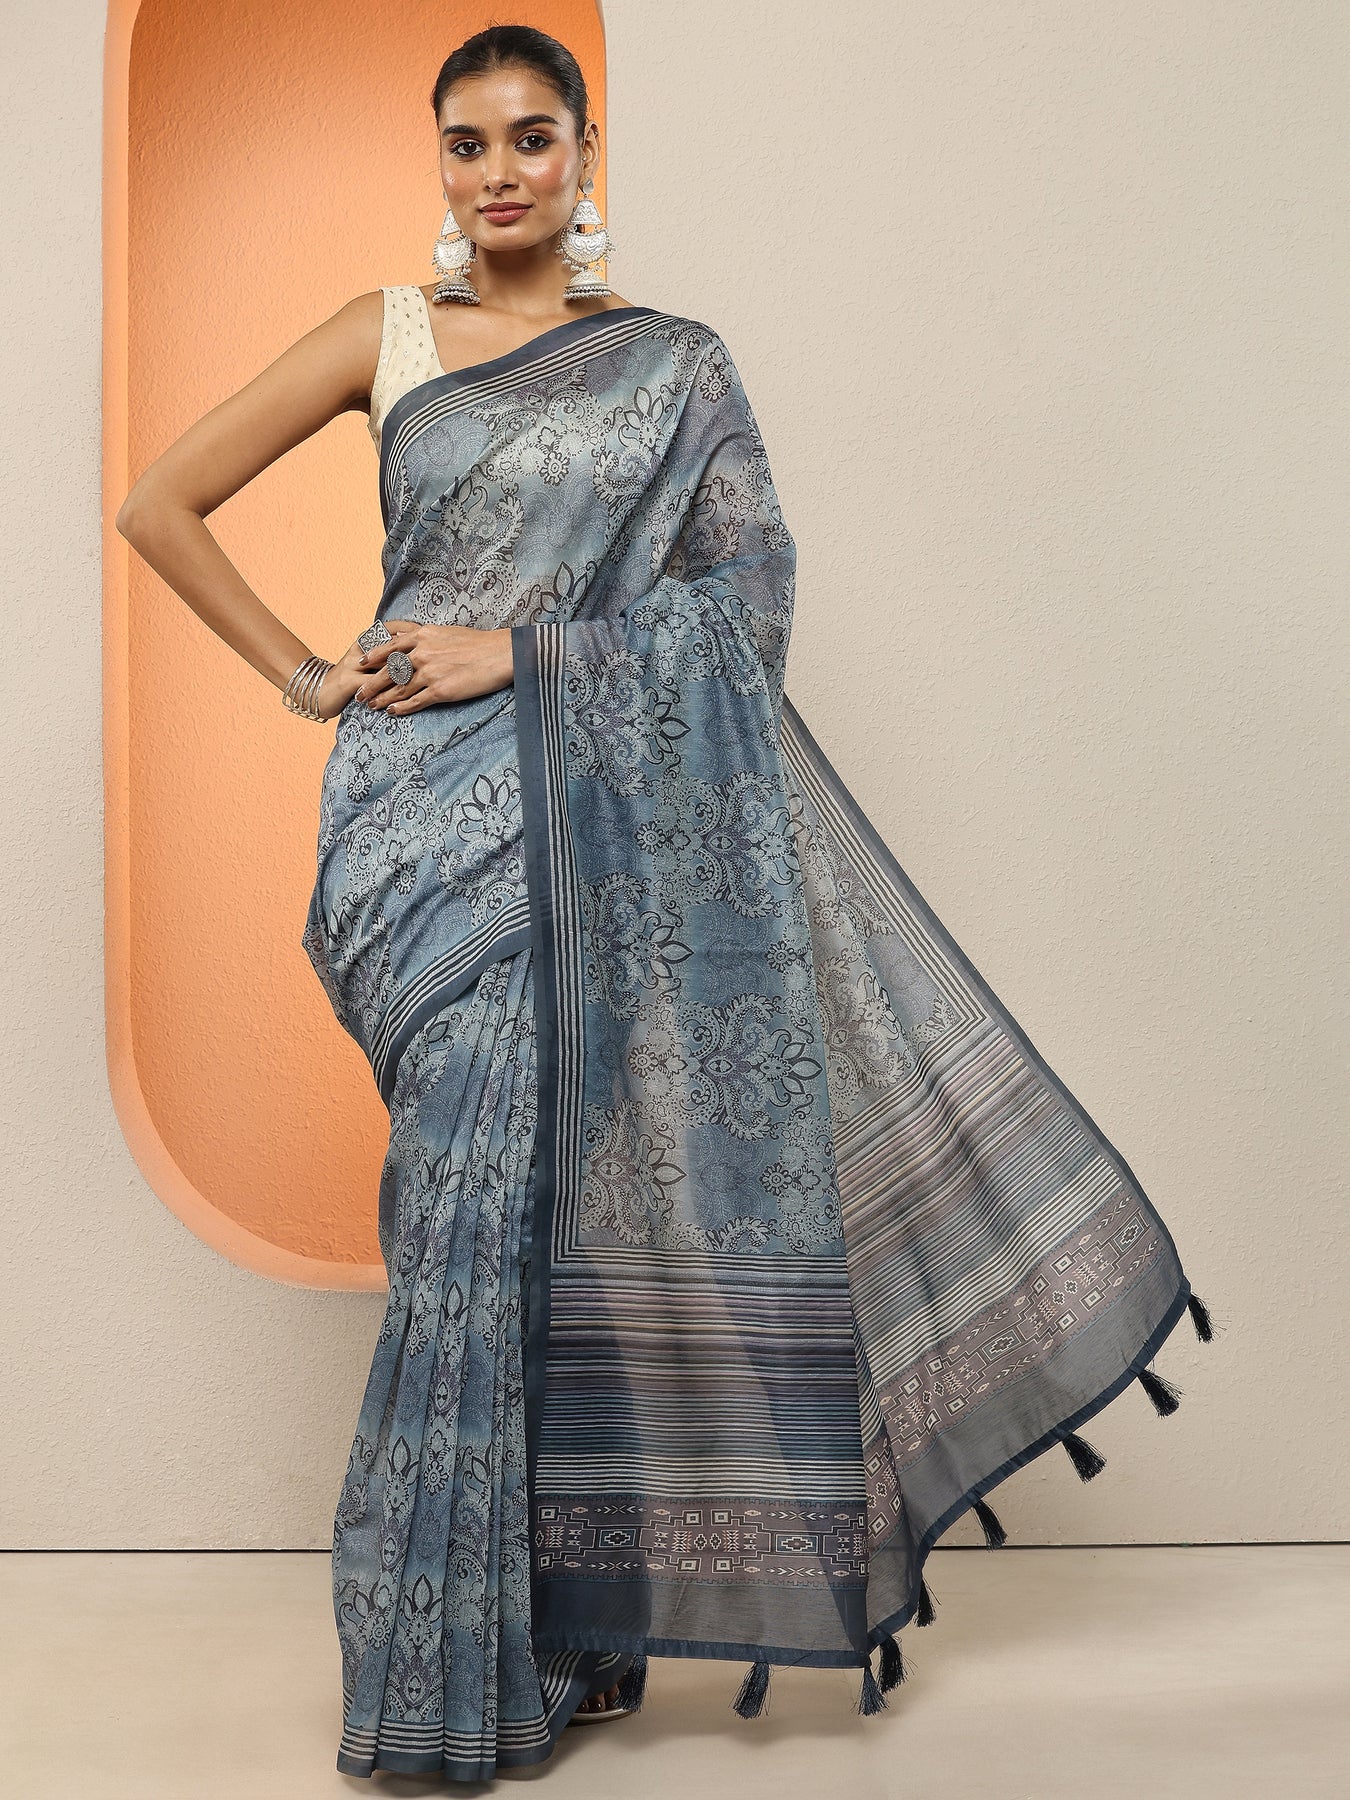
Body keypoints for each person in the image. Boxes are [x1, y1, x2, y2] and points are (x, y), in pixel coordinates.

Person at [115, 22, 1216, 1786]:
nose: (497, 174)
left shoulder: (674, 368)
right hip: (416, 837)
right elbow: (157, 502)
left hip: (595, 826)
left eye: (529, 138)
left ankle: (563, 1647)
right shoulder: (384, 337)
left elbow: (747, 604)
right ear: (438, 165)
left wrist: (522, 653)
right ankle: (441, 1674)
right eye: (465, 143)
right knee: (458, 1222)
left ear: (583, 154)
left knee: (550, 1225)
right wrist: (308, 676)